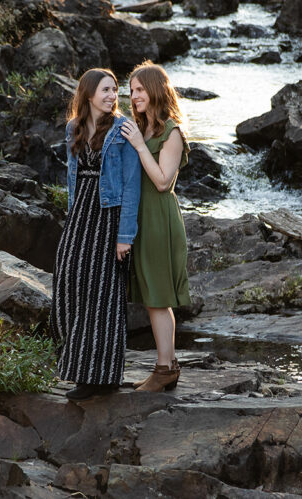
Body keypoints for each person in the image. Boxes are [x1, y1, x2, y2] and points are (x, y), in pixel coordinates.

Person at [51, 68, 141, 401]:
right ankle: (78, 366)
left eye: (115, 90)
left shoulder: (123, 129)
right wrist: (72, 216)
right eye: (105, 90)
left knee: (103, 293)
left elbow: (132, 186)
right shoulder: (72, 128)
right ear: (88, 94)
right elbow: (73, 180)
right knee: (69, 278)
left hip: (109, 216)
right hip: (81, 216)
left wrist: (125, 235)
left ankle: (100, 377)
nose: (111, 96)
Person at [120, 61, 191, 392]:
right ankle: (167, 365)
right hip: (140, 218)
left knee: (158, 296)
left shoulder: (171, 131)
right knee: (151, 295)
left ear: (155, 89)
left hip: (160, 219)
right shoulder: (142, 128)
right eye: (131, 91)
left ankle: (165, 369)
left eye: (139, 89)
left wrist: (137, 145)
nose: (133, 96)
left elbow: (163, 181)